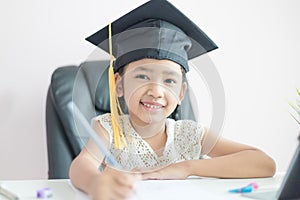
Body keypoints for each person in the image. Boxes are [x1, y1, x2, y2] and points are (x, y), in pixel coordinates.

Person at [69, 1, 276, 200]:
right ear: (119, 85)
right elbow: (81, 165)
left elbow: (264, 164)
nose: (156, 91)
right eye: (142, 76)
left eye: (169, 80)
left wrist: (186, 167)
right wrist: (96, 183)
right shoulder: (109, 130)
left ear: (181, 93)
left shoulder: (190, 135)